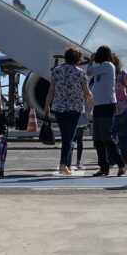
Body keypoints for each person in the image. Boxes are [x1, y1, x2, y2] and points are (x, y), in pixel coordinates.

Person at [44, 47, 94, 175]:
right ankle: (63, 164)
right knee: (69, 137)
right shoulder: (80, 72)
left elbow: (51, 90)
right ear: (78, 59)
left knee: (67, 136)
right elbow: (86, 91)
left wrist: (47, 106)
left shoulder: (57, 71)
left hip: (59, 108)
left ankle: (68, 164)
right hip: (75, 108)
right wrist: (90, 101)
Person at [86, 45, 126, 177]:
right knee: (98, 137)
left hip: (107, 104)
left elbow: (89, 71)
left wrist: (91, 61)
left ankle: (121, 163)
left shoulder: (108, 65)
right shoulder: (102, 68)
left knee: (106, 136)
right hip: (99, 104)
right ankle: (104, 166)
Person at [111, 53, 127, 164]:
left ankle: (111, 159)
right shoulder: (122, 73)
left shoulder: (105, 73)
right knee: (124, 135)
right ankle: (126, 158)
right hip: (123, 107)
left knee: (110, 135)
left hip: (109, 107)